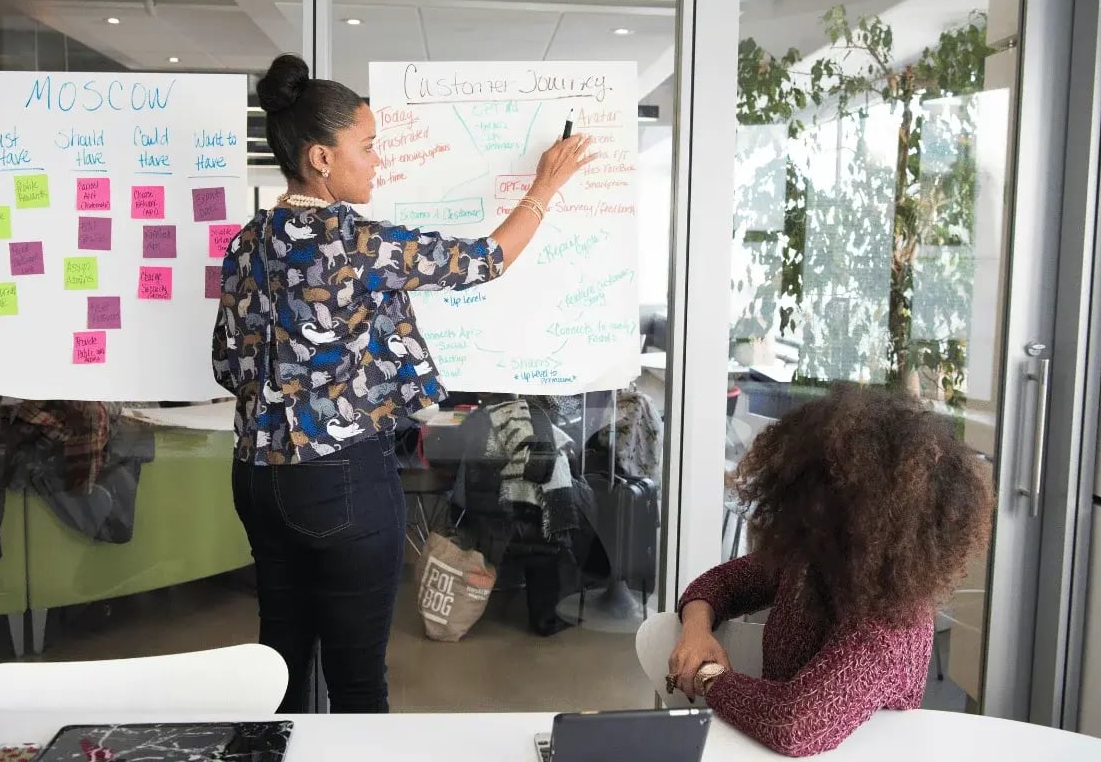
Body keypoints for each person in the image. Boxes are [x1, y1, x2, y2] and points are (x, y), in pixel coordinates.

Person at [211, 53, 595, 713]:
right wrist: (545, 186)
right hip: (339, 482)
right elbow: (485, 260)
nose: (378, 161)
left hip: (256, 478)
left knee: (282, 666)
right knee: (358, 682)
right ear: (321, 159)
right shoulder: (357, 243)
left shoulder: (246, 243)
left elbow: (225, 364)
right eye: (367, 146)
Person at [668, 385, 994, 756]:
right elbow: (721, 583)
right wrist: (696, 633)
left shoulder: (890, 626)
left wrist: (707, 676)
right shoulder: (812, 561)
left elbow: (793, 725)